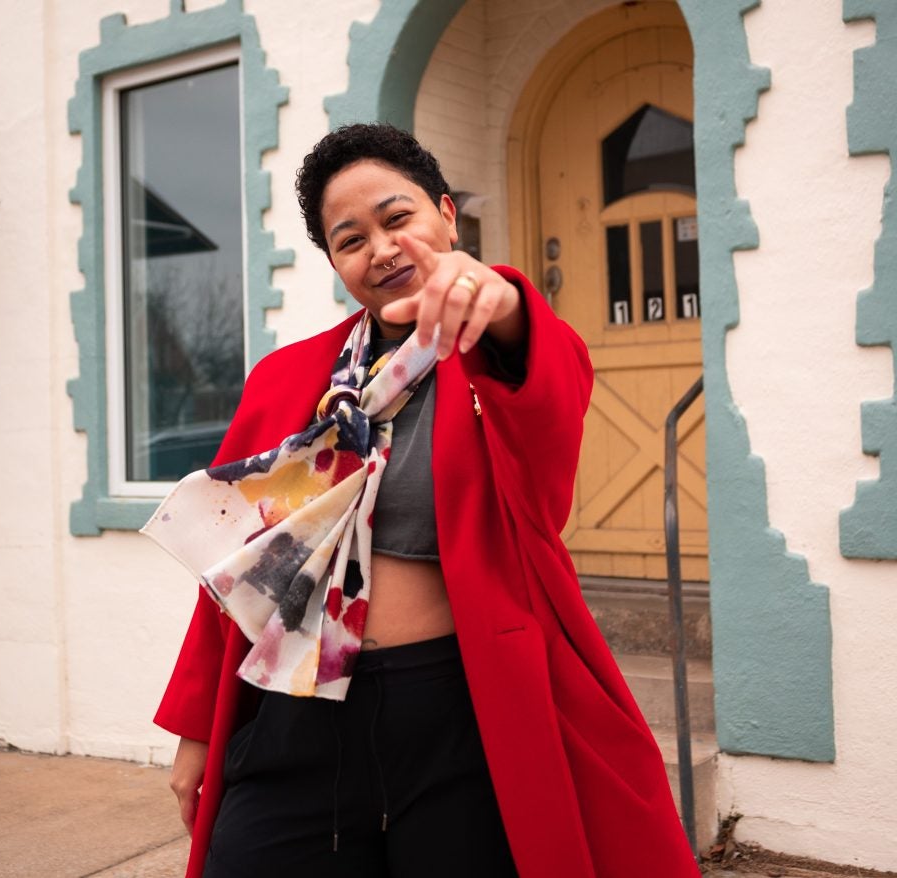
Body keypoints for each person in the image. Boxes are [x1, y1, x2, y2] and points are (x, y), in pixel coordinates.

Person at [149, 123, 699, 878]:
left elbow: (545, 409)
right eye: (350, 239)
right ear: (337, 264)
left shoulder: (502, 354)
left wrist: (501, 304)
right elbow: (235, 571)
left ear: (445, 214)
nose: (380, 247)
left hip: (460, 712)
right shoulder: (288, 380)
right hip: (297, 715)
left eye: (397, 217)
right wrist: (194, 732)